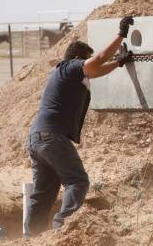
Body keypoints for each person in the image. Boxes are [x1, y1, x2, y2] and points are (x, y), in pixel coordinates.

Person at [24, 16, 134, 236]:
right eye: (86, 58)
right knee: (78, 181)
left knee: (43, 192)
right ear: (77, 58)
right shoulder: (71, 66)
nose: (89, 62)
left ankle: (31, 237)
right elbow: (97, 62)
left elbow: (97, 69)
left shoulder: (63, 73)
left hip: (37, 138)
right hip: (52, 137)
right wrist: (121, 34)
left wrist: (118, 63)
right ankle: (63, 227)